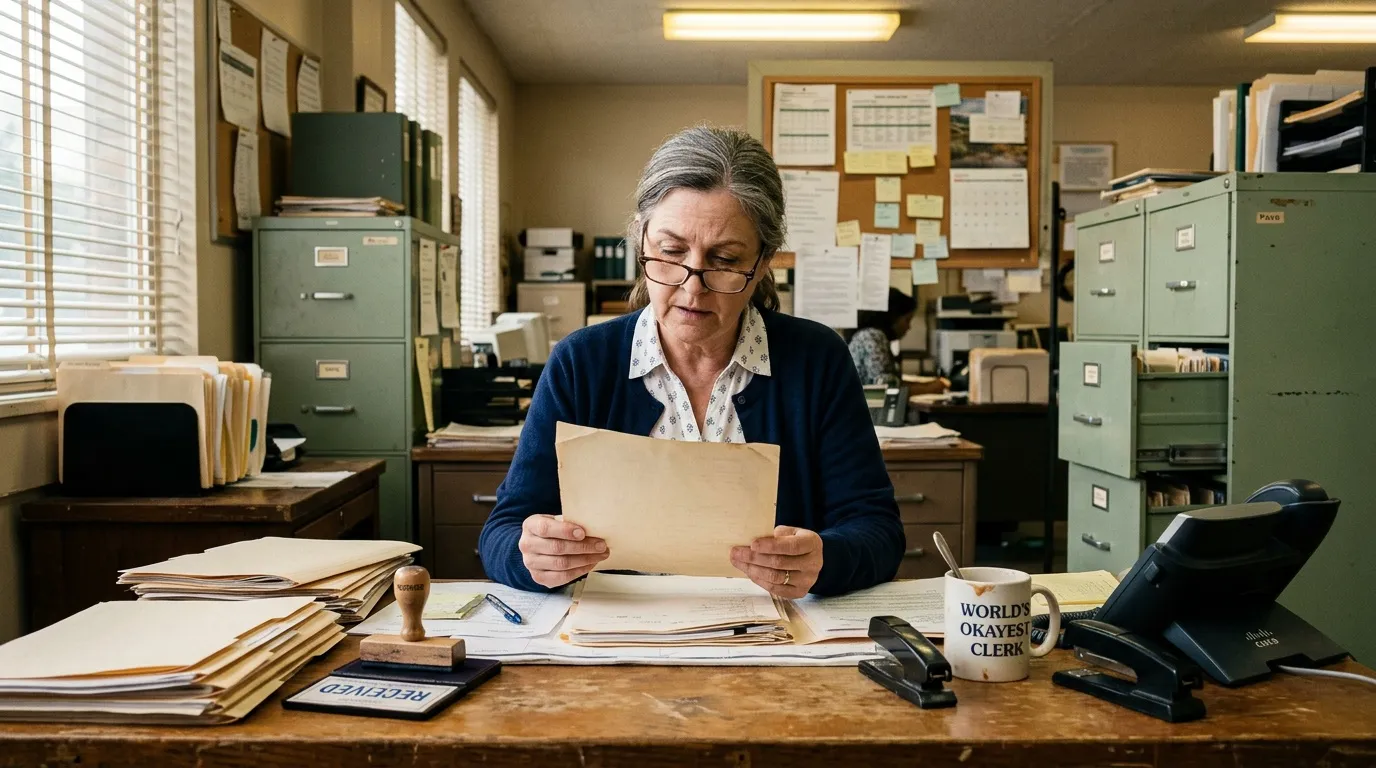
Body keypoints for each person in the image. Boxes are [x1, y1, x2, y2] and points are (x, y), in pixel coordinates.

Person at [478, 125, 904, 599]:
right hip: (614, 636)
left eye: (723, 259)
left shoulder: (817, 360)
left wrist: (826, 557)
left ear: (762, 264)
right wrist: (532, 555)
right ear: (640, 239)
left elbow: (878, 531)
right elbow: (501, 533)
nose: (692, 285)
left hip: (773, 642)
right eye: (671, 251)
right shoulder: (582, 362)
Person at [846, 288, 917, 387]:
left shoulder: (870, 335)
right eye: (907, 320)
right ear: (893, 317)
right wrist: (930, 387)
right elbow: (887, 386)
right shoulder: (872, 337)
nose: (909, 327)